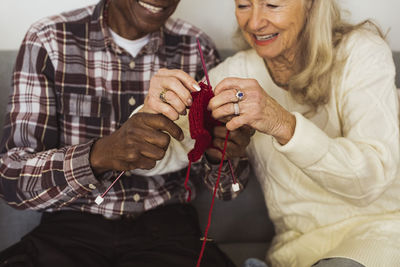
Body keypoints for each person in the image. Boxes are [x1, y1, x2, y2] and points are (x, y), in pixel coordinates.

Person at [144, 0, 400, 266]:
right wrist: (151, 110)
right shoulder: (237, 72)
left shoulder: (361, 51)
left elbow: (371, 181)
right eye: (243, 5)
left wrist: (282, 124)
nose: (254, 23)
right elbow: (160, 155)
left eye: (272, 5)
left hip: (379, 235)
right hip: (294, 252)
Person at [0, 0, 253, 266]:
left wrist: (219, 155)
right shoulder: (49, 39)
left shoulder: (197, 47)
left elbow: (228, 192)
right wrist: (99, 154)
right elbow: (11, 181)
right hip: (71, 230)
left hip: (169, 232)